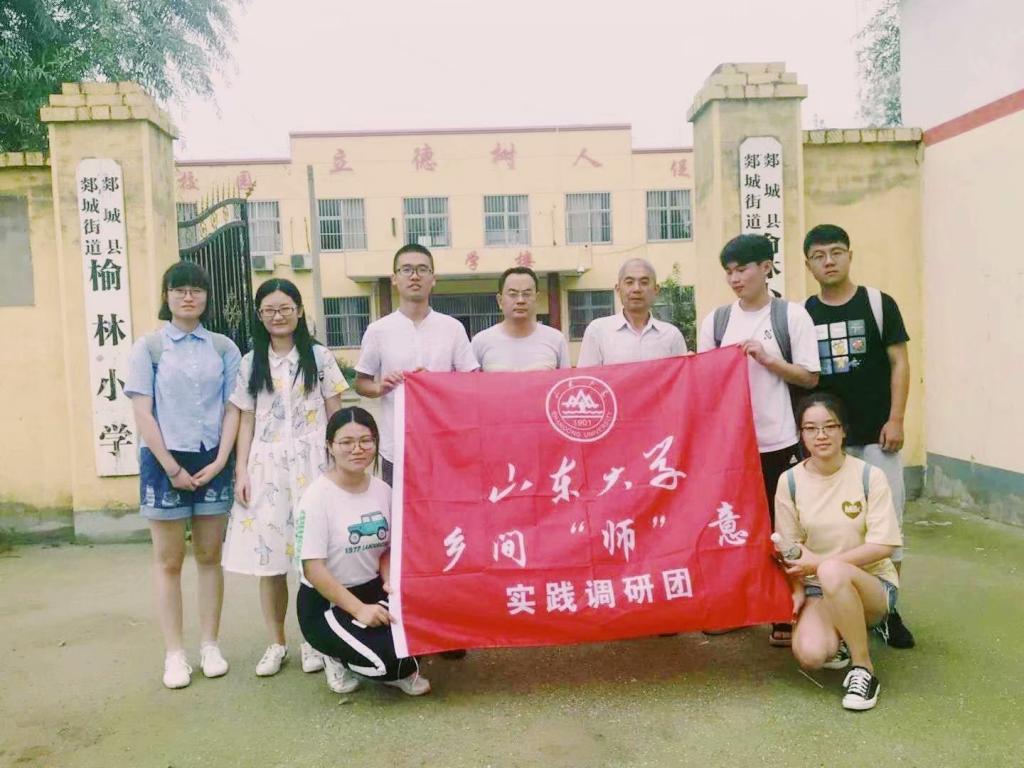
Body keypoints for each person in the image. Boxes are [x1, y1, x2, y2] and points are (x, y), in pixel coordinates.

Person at [221, 279, 349, 678]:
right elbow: (245, 418)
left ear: (299, 311)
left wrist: (340, 462)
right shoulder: (250, 362)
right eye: (269, 310)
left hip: (314, 465)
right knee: (271, 561)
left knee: (314, 558)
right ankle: (276, 642)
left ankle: (313, 640)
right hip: (267, 468)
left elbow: (336, 411)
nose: (278, 316)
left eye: (285, 308)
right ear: (260, 316)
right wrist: (241, 470)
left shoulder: (319, 356)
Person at [697, 234, 819, 646]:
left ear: (766, 267)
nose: (735, 278)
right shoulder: (716, 322)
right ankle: (738, 606)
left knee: (779, 528)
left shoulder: (791, 316)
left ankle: (782, 609)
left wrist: (768, 359)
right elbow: (703, 382)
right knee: (732, 527)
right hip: (730, 446)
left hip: (778, 440)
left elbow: (810, 376)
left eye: (743, 269)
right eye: (729, 271)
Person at [125, 261, 241, 689]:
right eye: (179, 290)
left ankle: (210, 645)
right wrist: (171, 467)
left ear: (206, 297)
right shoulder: (150, 347)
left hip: (212, 460)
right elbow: (142, 412)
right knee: (169, 561)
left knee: (209, 556)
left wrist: (221, 460)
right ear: (166, 296)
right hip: (163, 461)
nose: (188, 296)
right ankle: (175, 654)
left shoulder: (224, 348)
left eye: (196, 289)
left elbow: (234, 408)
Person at [803, 224, 915, 648]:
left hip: (877, 437)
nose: (828, 261)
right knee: (835, 529)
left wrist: (897, 418)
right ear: (808, 265)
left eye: (836, 252)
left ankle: (889, 611)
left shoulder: (878, 304)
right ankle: (836, 605)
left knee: (888, 527)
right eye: (819, 255)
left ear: (850, 255)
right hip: (828, 443)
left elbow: (900, 362)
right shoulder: (803, 313)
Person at [775, 392, 902, 711]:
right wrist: (797, 590)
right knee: (812, 655)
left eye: (829, 426)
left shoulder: (869, 476)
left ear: (844, 430)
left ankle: (863, 668)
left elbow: (884, 544)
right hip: (818, 587)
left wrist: (820, 563)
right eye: (810, 428)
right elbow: (789, 548)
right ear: (801, 435)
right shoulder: (789, 481)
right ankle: (843, 635)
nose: (821, 435)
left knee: (831, 570)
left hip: (871, 585)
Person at [296, 407, 430, 696]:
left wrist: (389, 581)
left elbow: (387, 550)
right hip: (327, 604)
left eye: (365, 440)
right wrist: (359, 610)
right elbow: (313, 569)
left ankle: (392, 664)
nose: (357, 449)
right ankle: (334, 656)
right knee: (389, 660)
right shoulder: (316, 498)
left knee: (423, 642)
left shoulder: (383, 490)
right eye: (346, 442)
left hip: (372, 589)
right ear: (330, 446)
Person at [354, 243, 479, 486]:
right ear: (394, 278)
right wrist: (380, 387)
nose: (415, 276)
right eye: (407, 269)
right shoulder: (378, 330)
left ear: (433, 278)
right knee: (398, 509)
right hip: (396, 446)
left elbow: (472, 381)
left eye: (422, 269)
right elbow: (361, 383)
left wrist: (436, 383)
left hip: (444, 443)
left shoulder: (452, 328)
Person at [577, 258, 688, 366]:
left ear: (656, 289)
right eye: (629, 282)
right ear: (618, 289)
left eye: (644, 282)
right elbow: (587, 377)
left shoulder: (671, 335)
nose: (637, 289)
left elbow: (681, 376)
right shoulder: (598, 331)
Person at [472, 266, 570, 371]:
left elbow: (566, 380)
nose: (520, 300)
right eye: (513, 294)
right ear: (500, 300)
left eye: (527, 294)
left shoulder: (556, 340)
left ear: (536, 299)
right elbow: (470, 380)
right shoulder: (480, 342)